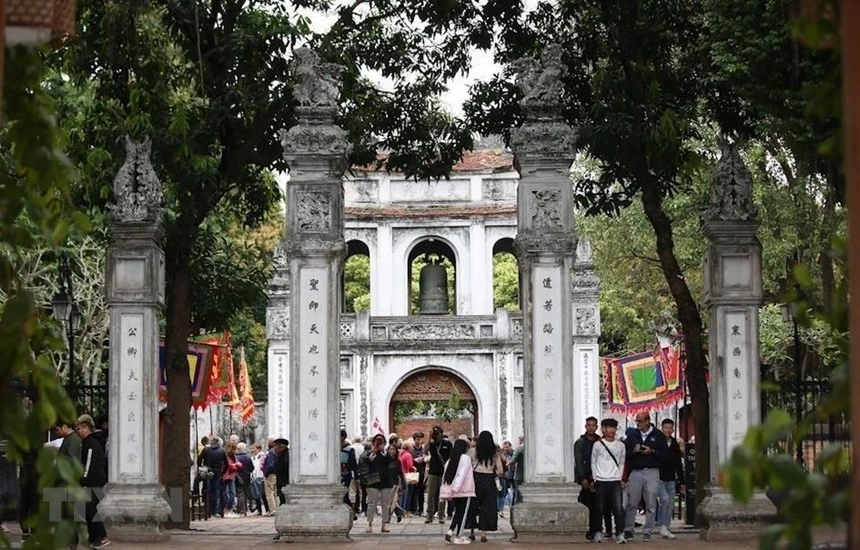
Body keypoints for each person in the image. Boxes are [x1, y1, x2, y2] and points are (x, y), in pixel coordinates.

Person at [622, 412, 668, 542]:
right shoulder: (632, 435)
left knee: (651, 502)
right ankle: (628, 530)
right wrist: (634, 451)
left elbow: (665, 455)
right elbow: (624, 455)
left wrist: (652, 451)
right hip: (635, 471)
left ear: (648, 421)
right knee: (632, 502)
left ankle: (648, 531)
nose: (638, 424)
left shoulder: (658, 435)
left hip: (652, 471)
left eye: (640, 421)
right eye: (637, 421)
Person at [591, 418, 627, 544]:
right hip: (601, 480)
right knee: (599, 508)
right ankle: (598, 532)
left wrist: (620, 477)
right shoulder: (597, 445)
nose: (610, 430)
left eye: (613, 427)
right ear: (603, 429)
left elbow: (622, 462)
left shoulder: (621, 445)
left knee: (618, 508)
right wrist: (595, 478)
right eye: (607, 427)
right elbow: (593, 462)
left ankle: (620, 533)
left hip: (615, 480)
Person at [77, 414, 109, 548]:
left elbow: (89, 463)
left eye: (78, 428)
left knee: (90, 510)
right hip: (94, 480)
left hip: (94, 481)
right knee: (89, 509)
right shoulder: (89, 442)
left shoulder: (91, 443)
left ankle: (99, 538)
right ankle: (97, 536)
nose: (77, 431)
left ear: (86, 428)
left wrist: (83, 480)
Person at [468, 431, 504, 543]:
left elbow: (467, 465)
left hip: (476, 479)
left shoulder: (473, 451)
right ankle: (483, 533)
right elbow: (501, 471)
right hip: (489, 480)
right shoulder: (494, 453)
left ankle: (472, 531)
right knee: (486, 506)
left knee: (473, 505)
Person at [441, 438, 475, 545]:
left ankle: (450, 531)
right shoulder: (465, 458)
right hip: (464, 490)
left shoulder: (450, 460)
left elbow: (445, 476)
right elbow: (462, 473)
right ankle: (459, 536)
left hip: (454, 491)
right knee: (463, 513)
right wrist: (456, 487)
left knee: (458, 512)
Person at [656, 419, 684, 539]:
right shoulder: (657, 442)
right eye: (666, 427)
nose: (668, 430)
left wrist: (682, 481)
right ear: (662, 428)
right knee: (665, 499)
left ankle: (666, 527)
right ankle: (662, 524)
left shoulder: (674, 443)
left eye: (670, 428)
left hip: (671, 477)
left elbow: (678, 463)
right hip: (659, 476)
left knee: (670, 502)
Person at [360, 434, 394, 533]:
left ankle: (384, 524)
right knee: (372, 503)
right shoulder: (370, 453)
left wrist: (383, 451)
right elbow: (366, 462)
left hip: (385, 480)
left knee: (385, 503)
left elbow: (390, 461)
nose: (379, 444)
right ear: (373, 442)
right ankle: (369, 524)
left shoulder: (386, 454)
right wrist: (373, 452)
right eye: (377, 441)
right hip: (372, 480)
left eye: (381, 441)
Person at [424, 425, 452, 524]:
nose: (436, 436)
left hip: (443, 472)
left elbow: (451, 457)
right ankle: (429, 515)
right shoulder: (432, 444)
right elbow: (425, 451)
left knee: (442, 495)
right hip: (433, 472)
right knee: (431, 494)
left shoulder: (447, 444)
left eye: (437, 433)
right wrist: (429, 437)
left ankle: (441, 514)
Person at [200, 436, 227, 518]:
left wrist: (202, 468)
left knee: (207, 490)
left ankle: (206, 510)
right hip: (217, 473)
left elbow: (199, 459)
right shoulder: (222, 450)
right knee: (215, 492)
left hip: (207, 472)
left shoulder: (206, 449)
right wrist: (223, 472)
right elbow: (227, 464)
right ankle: (213, 511)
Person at [340, 429, 358, 518]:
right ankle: (351, 512)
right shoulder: (334, 449)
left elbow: (353, 464)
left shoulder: (349, 450)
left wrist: (356, 475)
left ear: (342, 437)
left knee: (345, 493)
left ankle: (351, 512)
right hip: (337, 474)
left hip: (346, 474)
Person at [387, 443, 405, 522]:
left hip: (394, 483)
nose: (392, 451)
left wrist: (403, 483)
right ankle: (399, 512)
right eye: (390, 449)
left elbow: (400, 473)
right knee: (388, 500)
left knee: (390, 500)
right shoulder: (386, 460)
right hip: (386, 482)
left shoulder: (397, 461)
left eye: (393, 449)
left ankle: (388, 516)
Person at [234, 442, 254, 515]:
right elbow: (252, 468)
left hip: (238, 477)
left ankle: (242, 510)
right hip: (247, 477)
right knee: (246, 493)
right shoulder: (248, 458)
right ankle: (247, 508)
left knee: (240, 494)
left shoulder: (235, 458)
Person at [399, 438, 416, 519]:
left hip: (401, 475)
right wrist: (414, 468)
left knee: (403, 494)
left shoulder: (401, 454)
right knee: (408, 494)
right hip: (408, 476)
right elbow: (410, 465)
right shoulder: (408, 455)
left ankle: (401, 510)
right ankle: (406, 511)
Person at [411, 431, 426, 515]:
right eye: (417, 439)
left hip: (422, 472)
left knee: (421, 492)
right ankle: (413, 508)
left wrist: (423, 458)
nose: (419, 441)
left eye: (420, 439)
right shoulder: (411, 449)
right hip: (413, 472)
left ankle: (421, 509)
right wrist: (414, 460)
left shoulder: (423, 449)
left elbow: (427, 456)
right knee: (413, 491)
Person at [262, 437, 278, 515]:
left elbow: (270, 464)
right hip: (276, 473)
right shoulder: (277, 451)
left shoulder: (271, 452)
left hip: (270, 474)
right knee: (275, 492)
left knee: (269, 493)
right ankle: (276, 508)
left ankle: (272, 509)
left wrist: (266, 473)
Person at [250, 442, 267, 515]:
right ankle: (259, 509)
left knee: (263, 494)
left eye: (254, 448)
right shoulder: (253, 457)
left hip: (261, 476)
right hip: (255, 476)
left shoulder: (263, 456)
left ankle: (267, 509)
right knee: (256, 494)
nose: (252, 450)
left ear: (259, 449)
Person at [508, 436, 524, 505]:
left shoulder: (519, 449)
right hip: (529, 476)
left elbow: (512, 461)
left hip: (519, 475)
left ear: (521, 440)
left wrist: (508, 462)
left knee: (518, 494)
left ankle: (516, 509)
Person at [498, 441, 513, 517]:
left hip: (508, 476)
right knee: (503, 494)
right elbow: (505, 466)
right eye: (504, 447)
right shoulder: (502, 456)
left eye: (507, 447)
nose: (506, 449)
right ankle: (501, 510)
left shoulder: (511, 454)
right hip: (503, 476)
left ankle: (502, 509)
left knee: (506, 493)